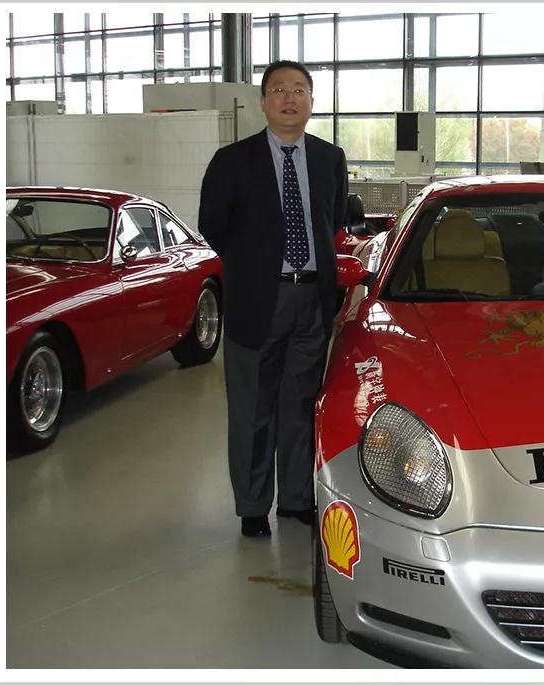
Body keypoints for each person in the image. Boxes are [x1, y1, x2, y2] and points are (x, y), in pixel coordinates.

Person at [198, 60, 348, 538]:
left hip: (312, 300)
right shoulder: (232, 160)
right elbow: (212, 224)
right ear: (263, 102)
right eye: (279, 89)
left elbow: (332, 221)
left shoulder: (329, 159)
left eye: (299, 89)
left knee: (300, 404)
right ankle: (252, 505)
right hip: (257, 300)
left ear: (311, 102)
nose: (289, 98)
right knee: (253, 409)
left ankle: (297, 499)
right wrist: (253, 267)